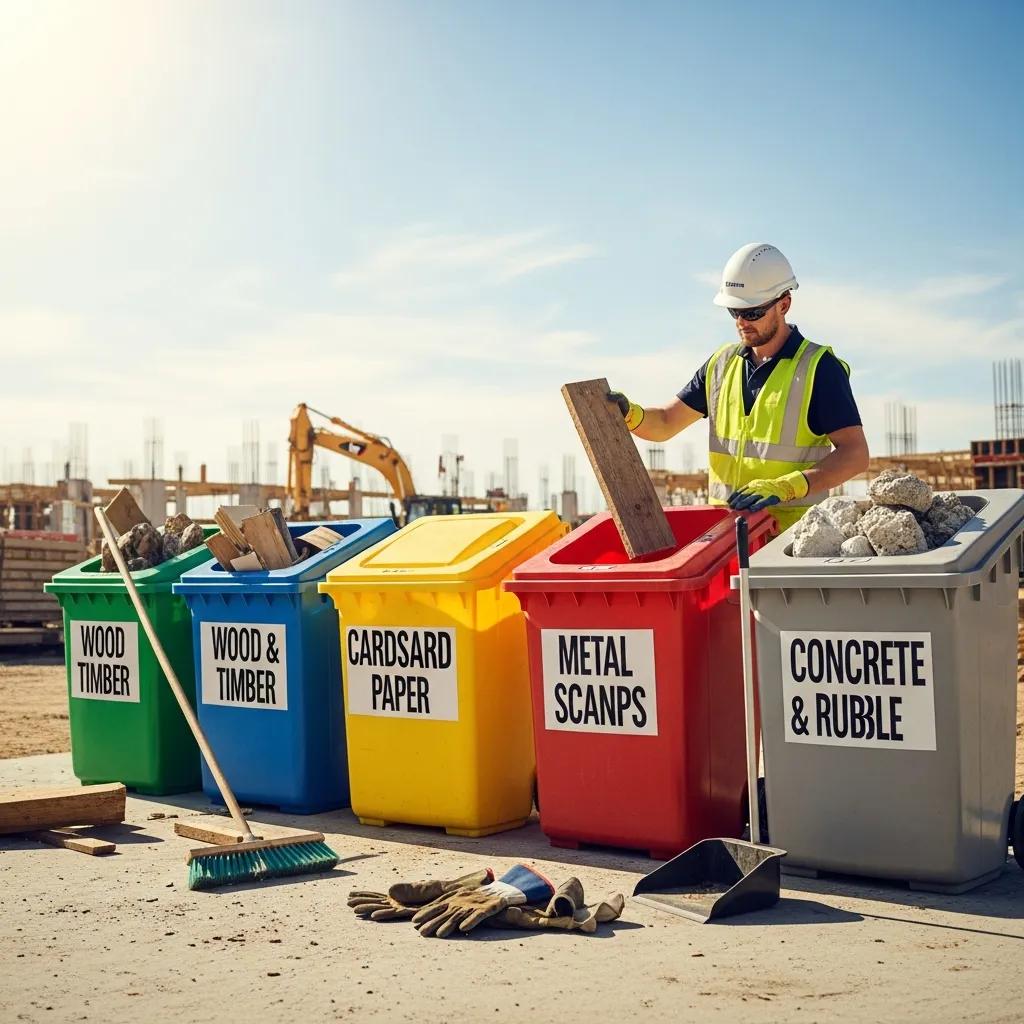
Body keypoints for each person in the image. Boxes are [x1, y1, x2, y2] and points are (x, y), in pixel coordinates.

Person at [608, 242, 869, 530]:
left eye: (752, 312)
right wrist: (631, 415)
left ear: (784, 304)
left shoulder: (819, 368)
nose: (742, 322)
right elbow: (667, 422)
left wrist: (787, 486)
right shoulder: (722, 364)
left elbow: (855, 454)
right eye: (735, 311)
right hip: (727, 541)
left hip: (790, 546)